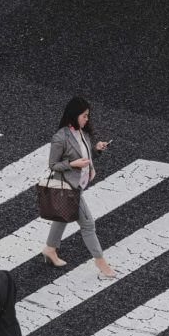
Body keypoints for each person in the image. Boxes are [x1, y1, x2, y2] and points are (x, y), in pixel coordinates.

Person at [42, 96, 116, 278]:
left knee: (62, 217)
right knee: (88, 225)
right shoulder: (60, 138)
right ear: (74, 115)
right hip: (69, 187)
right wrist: (72, 164)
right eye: (84, 116)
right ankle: (101, 262)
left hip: (79, 184)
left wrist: (97, 149)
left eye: (87, 115)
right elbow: (53, 165)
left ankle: (50, 249)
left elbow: (86, 155)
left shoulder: (83, 133)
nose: (86, 119)